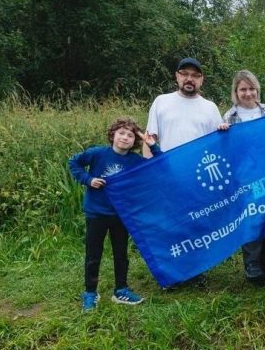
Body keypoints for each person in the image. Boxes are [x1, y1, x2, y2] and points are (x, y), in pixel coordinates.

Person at [68, 118, 161, 311]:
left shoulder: (135, 161)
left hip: (121, 215)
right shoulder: (97, 153)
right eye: (121, 133)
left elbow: (158, 167)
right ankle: (90, 292)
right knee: (93, 254)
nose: (125, 138)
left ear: (134, 140)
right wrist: (88, 179)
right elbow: (74, 162)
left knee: (121, 253)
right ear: (113, 135)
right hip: (96, 213)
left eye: (130, 135)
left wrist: (152, 145)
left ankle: (121, 290)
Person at [218, 70, 265, 287]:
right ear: (236, 91)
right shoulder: (229, 116)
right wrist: (222, 132)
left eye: (251, 88)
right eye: (243, 89)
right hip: (243, 175)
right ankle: (252, 265)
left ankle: (264, 265)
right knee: (249, 216)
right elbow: (225, 148)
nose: (248, 93)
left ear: (257, 89)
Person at [144, 57, 222, 154]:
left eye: (195, 75)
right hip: (167, 167)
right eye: (184, 74)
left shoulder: (211, 108)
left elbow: (219, 144)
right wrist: (150, 168)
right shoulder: (161, 102)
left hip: (199, 167)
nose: (189, 79)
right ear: (177, 76)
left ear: (202, 79)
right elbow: (149, 140)